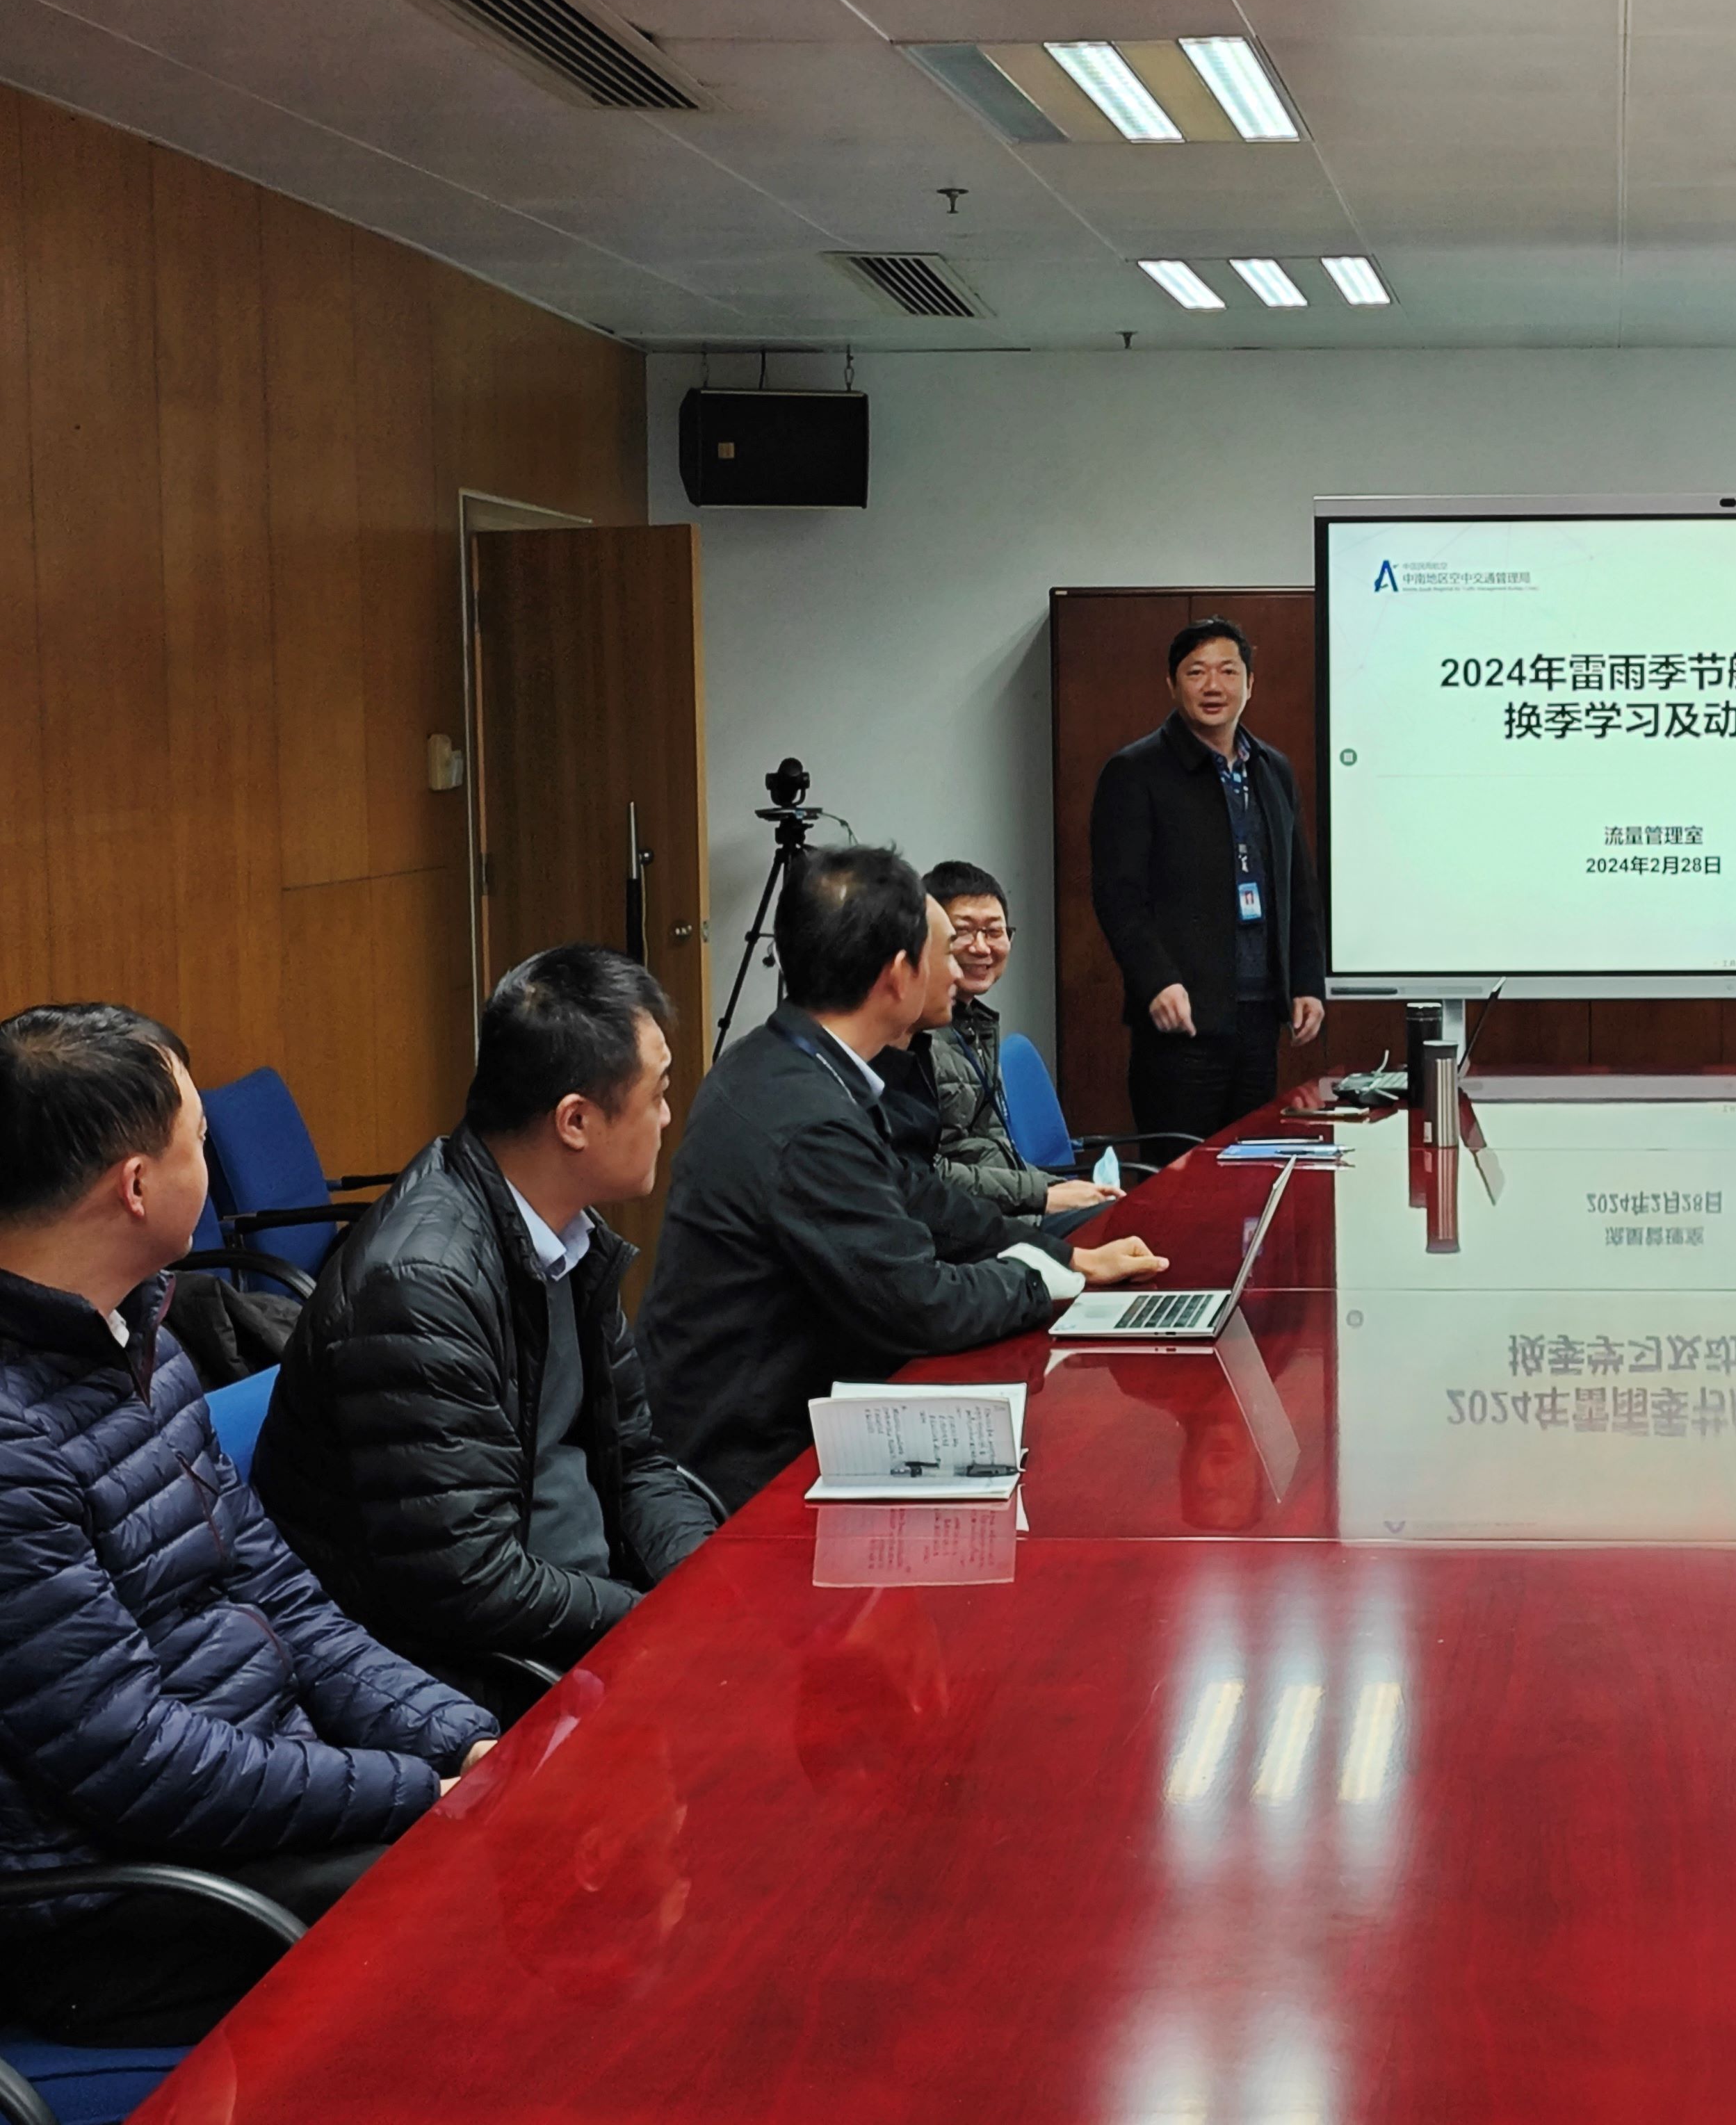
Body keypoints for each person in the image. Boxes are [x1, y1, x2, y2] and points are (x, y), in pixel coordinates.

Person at [0, 1004, 495, 2044]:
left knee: (529, 1816)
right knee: (503, 1892)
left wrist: (466, 1740)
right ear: (137, 1188)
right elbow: (136, 1764)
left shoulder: (140, 1332)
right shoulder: (13, 1447)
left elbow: (281, 1597)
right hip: (118, 1906)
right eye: (198, 1143)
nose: (211, 1166)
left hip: (252, 1804)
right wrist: (418, 1789)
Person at [252, 947, 720, 1718]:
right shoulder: (420, 1287)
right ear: (575, 1121)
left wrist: (706, 1582)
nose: (670, 1117)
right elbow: (465, 1583)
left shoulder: (568, 1232)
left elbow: (631, 1456)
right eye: (658, 1094)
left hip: (581, 1615)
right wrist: (658, 1624)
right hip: (471, 1674)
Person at [643, 846, 1167, 1508]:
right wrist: (1043, 1281)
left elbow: (921, 1197)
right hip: (754, 1464)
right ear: (898, 975)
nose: (956, 971)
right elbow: (921, 1304)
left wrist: (1068, 1255)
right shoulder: (808, 1120)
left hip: (785, 1412)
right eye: (943, 951)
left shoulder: (787, 1062)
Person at [1091, 617, 1327, 1144]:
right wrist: (1155, 980)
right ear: (1172, 685)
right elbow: (1117, 896)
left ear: (1250, 683)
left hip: (1259, 1015)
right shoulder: (1136, 771)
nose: (1213, 686)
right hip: (1183, 1018)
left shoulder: (1272, 769)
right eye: (1196, 672)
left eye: (1227, 671)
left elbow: (1296, 888)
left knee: (1250, 1170)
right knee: (1181, 1178)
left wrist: (1307, 981)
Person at [911, 859, 1120, 1238]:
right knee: (1122, 1225)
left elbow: (992, 1150)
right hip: (973, 1226)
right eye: (963, 932)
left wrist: (1057, 1189)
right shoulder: (915, 1037)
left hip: (1009, 1207)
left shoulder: (973, 1025)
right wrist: (1045, 1194)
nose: (981, 947)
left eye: (994, 932)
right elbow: (925, 1176)